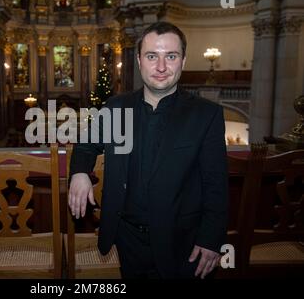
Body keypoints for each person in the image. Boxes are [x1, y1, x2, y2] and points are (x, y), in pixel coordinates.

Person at [68, 21, 228, 279]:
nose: (162, 67)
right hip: (127, 239)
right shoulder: (116, 107)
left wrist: (211, 239)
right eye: (152, 56)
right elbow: (85, 145)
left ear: (183, 61)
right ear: (140, 60)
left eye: (171, 56)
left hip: (183, 243)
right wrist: (79, 173)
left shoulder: (206, 114)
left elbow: (215, 184)